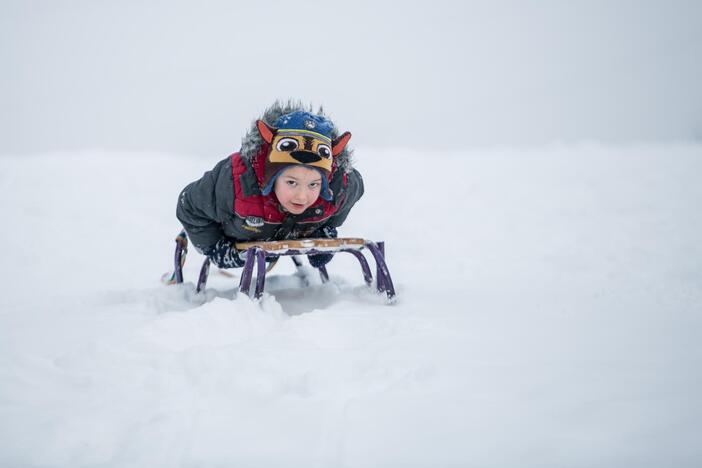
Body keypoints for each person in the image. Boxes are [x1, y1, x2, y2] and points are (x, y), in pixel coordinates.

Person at [176, 101, 364, 269]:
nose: (302, 196)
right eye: (292, 182)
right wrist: (215, 247)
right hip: (239, 231)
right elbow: (189, 206)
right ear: (272, 176)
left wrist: (326, 229)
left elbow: (352, 195)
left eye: (314, 185)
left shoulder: (340, 186)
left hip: (288, 228)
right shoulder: (235, 182)